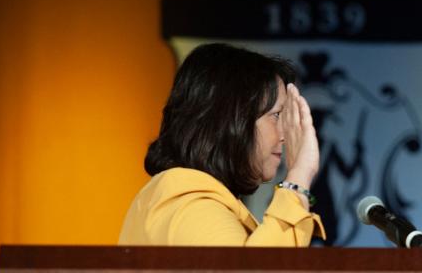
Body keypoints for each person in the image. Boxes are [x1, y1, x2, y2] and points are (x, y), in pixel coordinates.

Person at [119, 43, 324, 246]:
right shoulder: (193, 206)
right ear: (231, 119)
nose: (285, 136)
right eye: (276, 115)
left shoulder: (188, 200)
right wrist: (299, 177)